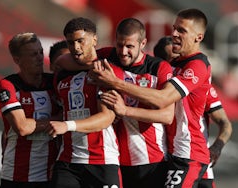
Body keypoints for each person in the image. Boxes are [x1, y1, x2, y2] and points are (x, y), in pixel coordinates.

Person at [90, 8, 212, 188]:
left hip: (189, 151)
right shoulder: (174, 64)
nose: (174, 34)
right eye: (175, 28)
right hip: (171, 151)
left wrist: (117, 87)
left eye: (182, 31)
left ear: (198, 37)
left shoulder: (197, 65)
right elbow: (84, 57)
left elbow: (163, 99)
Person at [55, 18, 175, 188]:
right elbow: (63, 60)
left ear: (143, 43)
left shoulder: (158, 68)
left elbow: (167, 114)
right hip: (120, 159)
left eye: (130, 47)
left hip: (153, 159)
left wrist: (124, 109)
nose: (123, 52)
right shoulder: (108, 58)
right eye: (119, 45)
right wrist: (91, 66)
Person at [48, 17, 123, 188]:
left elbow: (106, 118)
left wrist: (67, 125)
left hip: (102, 160)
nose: (76, 47)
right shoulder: (61, 75)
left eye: (80, 41)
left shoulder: (105, 73)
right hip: (67, 161)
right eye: (71, 42)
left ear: (94, 39)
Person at [154, 36, 233, 188]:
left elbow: (225, 123)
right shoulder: (156, 86)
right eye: (172, 60)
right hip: (169, 158)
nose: (178, 65)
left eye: (180, 58)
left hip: (195, 157)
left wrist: (216, 147)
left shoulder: (198, 85)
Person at [0, 32, 60, 188]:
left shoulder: (55, 83)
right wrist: (61, 120)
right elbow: (22, 127)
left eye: (40, 52)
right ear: (17, 60)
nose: (39, 58)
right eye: (33, 54)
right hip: (16, 175)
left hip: (50, 175)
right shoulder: (8, 85)